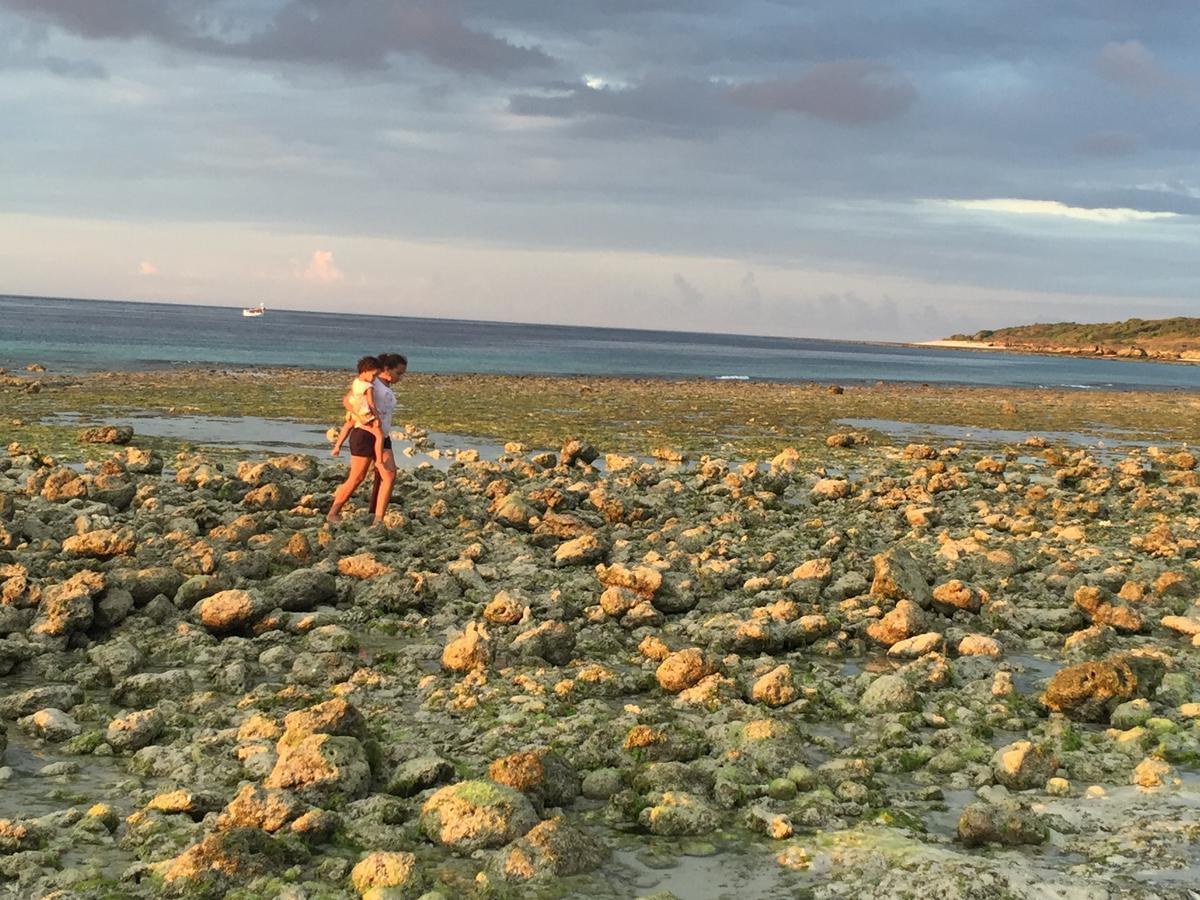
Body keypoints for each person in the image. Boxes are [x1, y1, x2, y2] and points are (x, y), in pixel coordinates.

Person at [326, 352, 407, 526]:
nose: (400, 377)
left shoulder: (385, 385)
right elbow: (347, 400)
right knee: (357, 477)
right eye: (398, 373)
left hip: (382, 435)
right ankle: (333, 513)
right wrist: (359, 416)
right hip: (364, 434)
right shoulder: (372, 382)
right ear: (387, 369)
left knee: (389, 474)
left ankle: (377, 518)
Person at [330, 356, 385, 464]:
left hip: (354, 409)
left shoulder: (356, 382)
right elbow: (371, 403)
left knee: (347, 426)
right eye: (374, 375)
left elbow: (353, 396)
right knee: (380, 435)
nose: (374, 379)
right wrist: (377, 418)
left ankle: (337, 446)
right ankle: (379, 460)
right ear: (365, 371)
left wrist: (352, 410)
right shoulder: (368, 386)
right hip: (365, 413)